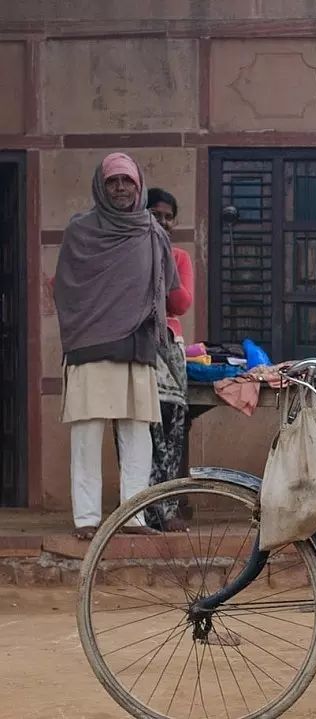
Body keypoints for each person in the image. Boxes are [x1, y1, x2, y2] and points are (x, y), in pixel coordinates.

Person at [54, 152, 180, 541]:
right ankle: (87, 519)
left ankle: (134, 517)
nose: (121, 188)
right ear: (101, 186)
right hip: (90, 344)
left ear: (138, 186)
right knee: (87, 435)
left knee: (137, 434)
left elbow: (169, 291)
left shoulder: (152, 231)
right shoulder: (81, 231)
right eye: (113, 182)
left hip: (137, 345)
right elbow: (66, 289)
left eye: (127, 181)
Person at [142, 187, 194, 531]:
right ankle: (142, 512)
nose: (163, 221)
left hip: (169, 347)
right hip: (135, 347)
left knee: (172, 430)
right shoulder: (129, 254)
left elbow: (180, 303)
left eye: (168, 216)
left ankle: (169, 511)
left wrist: (160, 260)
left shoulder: (178, 258)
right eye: (155, 214)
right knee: (141, 433)